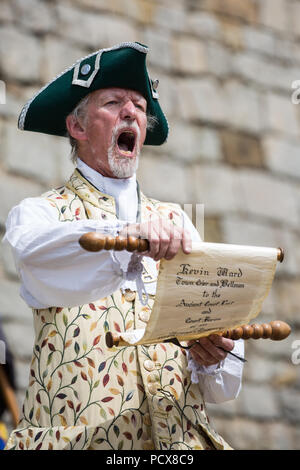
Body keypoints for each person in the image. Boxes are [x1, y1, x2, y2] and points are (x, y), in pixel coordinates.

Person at [3, 42, 244, 450]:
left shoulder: (179, 224)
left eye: (138, 105)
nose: (131, 111)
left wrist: (216, 356)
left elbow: (221, 390)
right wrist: (130, 239)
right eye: (113, 102)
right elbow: (36, 258)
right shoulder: (38, 215)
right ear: (77, 128)